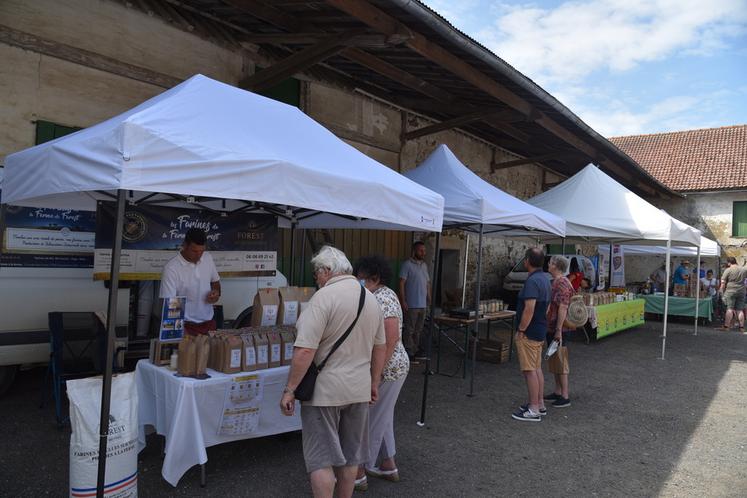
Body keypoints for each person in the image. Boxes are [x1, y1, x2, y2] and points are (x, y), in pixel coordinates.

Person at [280, 246, 386, 498]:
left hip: (325, 392)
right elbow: (380, 347)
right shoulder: (370, 298)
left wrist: (290, 390)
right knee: (351, 458)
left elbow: (305, 351)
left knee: (321, 459)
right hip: (359, 389)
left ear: (327, 271)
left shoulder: (322, 299)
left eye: (317, 273)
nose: (316, 278)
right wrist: (373, 383)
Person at [352, 256, 410, 491]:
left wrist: (375, 376)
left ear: (374, 278)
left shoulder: (383, 298)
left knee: (371, 419)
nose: (358, 282)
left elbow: (391, 338)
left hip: (389, 369)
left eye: (361, 278)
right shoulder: (377, 295)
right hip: (391, 367)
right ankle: (388, 465)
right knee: (383, 415)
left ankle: (358, 471)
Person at [512, 247, 551, 422]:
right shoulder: (545, 279)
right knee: (536, 368)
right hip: (540, 329)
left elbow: (529, 309)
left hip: (530, 332)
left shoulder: (533, 281)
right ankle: (539, 404)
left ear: (527, 260)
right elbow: (548, 307)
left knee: (529, 371)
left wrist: (521, 330)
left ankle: (533, 409)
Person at [159, 228, 221, 335]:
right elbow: (170, 305)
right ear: (184, 245)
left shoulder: (208, 258)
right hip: (185, 326)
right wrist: (180, 332)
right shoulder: (171, 268)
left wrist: (216, 292)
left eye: (202, 251)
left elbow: (216, 282)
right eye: (194, 251)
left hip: (209, 324)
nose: (198, 255)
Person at [544, 256, 573, 408]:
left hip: (559, 328)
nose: (548, 264)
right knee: (555, 359)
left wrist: (558, 330)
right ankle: (558, 391)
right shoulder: (556, 281)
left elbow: (563, 307)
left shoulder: (562, 282)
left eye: (550, 262)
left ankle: (565, 395)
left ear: (556, 265)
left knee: (560, 360)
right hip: (552, 327)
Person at [398, 241, 431, 358]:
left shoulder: (424, 265)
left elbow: (427, 283)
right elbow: (401, 283)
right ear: (414, 251)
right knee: (409, 329)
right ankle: (408, 351)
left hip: (423, 304)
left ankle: (415, 350)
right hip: (411, 304)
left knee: (419, 330)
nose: (423, 253)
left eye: (424, 251)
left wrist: (429, 298)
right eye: (421, 250)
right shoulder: (407, 265)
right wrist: (403, 301)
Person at [719, 257, 746, 332]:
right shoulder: (743, 269)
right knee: (740, 310)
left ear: (729, 263)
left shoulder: (728, 270)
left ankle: (726, 327)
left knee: (730, 309)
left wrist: (721, 290)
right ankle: (742, 328)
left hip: (731, 291)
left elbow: (723, 282)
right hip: (742, 290)